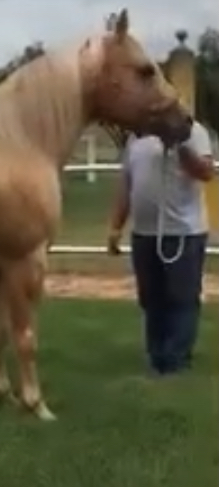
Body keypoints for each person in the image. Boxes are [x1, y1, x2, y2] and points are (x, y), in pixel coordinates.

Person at [107, 120, 216, 375]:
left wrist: (179, 146)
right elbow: (126, 184)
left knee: (182, 298)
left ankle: (176, 361)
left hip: (183, 233)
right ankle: (157, 357)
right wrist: (115, 226)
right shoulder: (137, 137)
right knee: (151, 298)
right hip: (144, 234)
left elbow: (206, 172)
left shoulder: (193, 132)